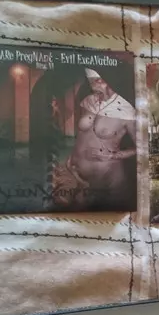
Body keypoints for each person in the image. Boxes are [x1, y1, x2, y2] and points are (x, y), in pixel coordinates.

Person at [52, 68, 136, 209]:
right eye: (90, 81)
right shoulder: (88, 101)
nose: (92, 85)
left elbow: (143, 147)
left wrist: (115, 155)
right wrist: (71, 157)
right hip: (74, 173)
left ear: (107, 81)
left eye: (96, 80)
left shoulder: (127, 111)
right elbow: (83, 135)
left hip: (106, 179)